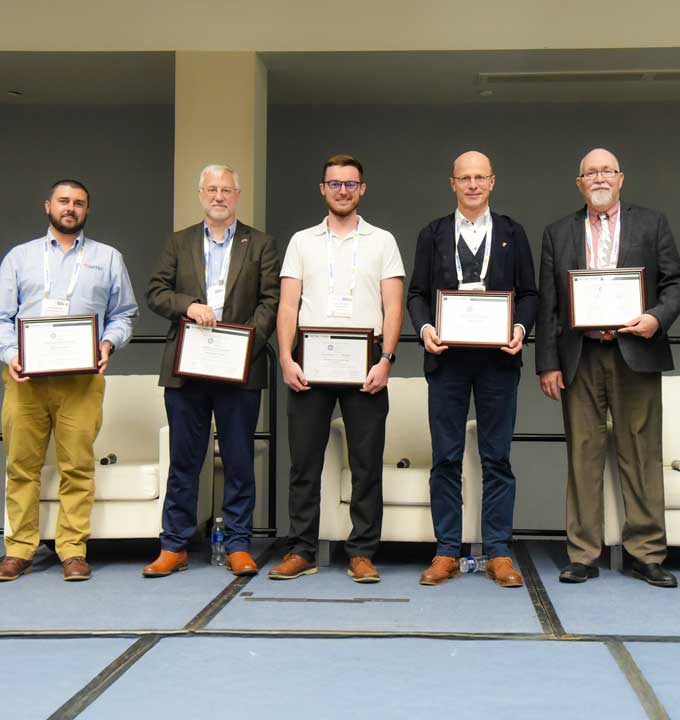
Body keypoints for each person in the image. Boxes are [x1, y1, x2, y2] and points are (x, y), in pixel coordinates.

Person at [536, 148, 680, 587]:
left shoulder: (651, 223)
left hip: (635, 352)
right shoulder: (558, 232)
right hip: (580, 356)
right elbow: (549, 303)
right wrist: (547, 363)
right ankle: (583, 553)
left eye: (607, 171)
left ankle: (646, 553)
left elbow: (676, 283)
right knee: (582, 455)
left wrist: (656, 318)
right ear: (579, 183)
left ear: (621, 179)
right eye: (590, 172)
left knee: (641, 453)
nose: (599, 178)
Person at [269, 154, 404, 583]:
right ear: (322, 189)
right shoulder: (301, 241)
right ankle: (302, 549)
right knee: (303, 464)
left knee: (366, 463)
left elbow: (394, 305)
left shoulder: (382, 241)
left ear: (362, 189)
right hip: (310, 363)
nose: (342, 190)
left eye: (350, 184)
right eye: (334, 183)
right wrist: (287, 357)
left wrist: (387, 360)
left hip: (366, 363)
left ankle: (361, 551)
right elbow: (288, 304)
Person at [407, 150, 537, 588]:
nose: (473, 185)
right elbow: (417, 293)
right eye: (465, 178)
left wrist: (520, 326)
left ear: (493, 182)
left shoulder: (513, 233)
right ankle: (446, 550)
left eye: (480, 177)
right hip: (447, 361)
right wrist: (424, 328)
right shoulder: (433, 233)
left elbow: (531, 294)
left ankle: (498, 551)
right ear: (453, 183)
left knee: (496, 457)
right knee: (445, 457)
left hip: (498, 361)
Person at [143, 164, 279, 578]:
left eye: (226, 190)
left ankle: (238, 544)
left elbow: (271, 301)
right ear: (200, 194)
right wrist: (187, 305)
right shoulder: (179, 242)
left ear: (237, 195)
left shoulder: (261, 244)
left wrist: (242, 346)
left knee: (239, 459)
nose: (219, 196)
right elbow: (155, 292)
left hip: (239, 369)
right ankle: (175, 545)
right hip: (187, 369)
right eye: (211, 189)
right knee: (185, 461)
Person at [0, 179, 138, 582]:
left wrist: (108, 345)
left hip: (81, 380)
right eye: (64, 201)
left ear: (87, 211)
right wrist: (11, 355)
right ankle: (19, 549)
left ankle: (73, 550)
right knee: (20, 466)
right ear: (48, 206)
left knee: (77, 466)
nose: (70, 208)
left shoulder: (107, 258)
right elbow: (2, 318)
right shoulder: (19, 258)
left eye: (78, 203)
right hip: (26, 381)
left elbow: (124, 313)